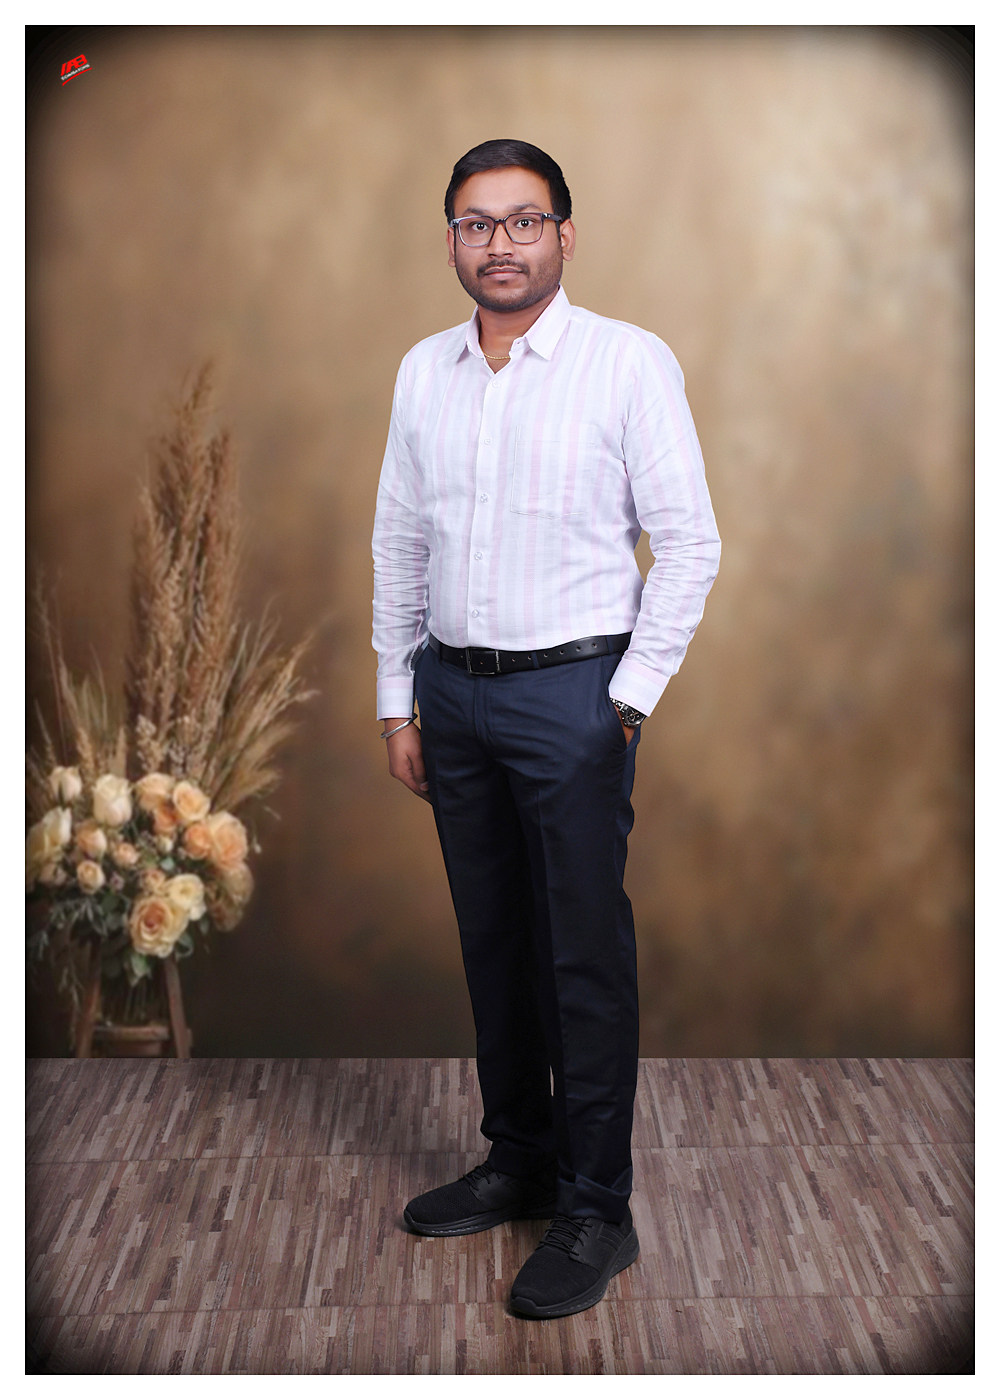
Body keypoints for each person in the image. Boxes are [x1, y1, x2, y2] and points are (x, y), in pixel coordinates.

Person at [372, 138, 720, 1319]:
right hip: (452, 695)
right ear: (452, 240)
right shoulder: (424, 371)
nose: (500, 243)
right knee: (494, 938)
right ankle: (518, 1157)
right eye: (477, 223)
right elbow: (399, 540)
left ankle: (595, 1206)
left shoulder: (627, 362)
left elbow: (690, 542)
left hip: (574, 695)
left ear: (564, 235)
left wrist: (628, 699)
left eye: (524, 221)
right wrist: (397, 696)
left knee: (581, 954)